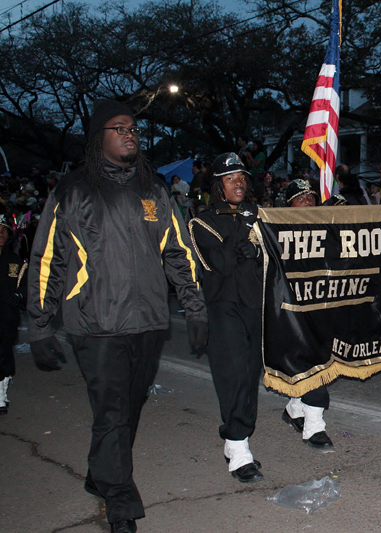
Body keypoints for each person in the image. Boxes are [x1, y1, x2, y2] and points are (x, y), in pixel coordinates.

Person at [27, 99, 208, 533]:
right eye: (119, 127)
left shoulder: (154, 189)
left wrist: (196, 308)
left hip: (147, 321)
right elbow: (46, 260)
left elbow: (179, 252)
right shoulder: (72, 190)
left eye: (134, 128)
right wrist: (39, 325)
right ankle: (122, 505)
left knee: (130, 407)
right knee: (111, 411)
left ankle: (100, 473)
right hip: (95, 324)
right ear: (98, 138)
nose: (130, 134)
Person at [188, 153, 266, 484]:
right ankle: (237, 445)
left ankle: (238, 437)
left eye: (242, 178)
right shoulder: (202, 222)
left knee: (251, 374)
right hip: (223, 307)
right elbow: (219, 263)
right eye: (231, 178)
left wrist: (258, 246)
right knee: (233, 374)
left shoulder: (257, 216)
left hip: (255, 304)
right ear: (218, 185)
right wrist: (244, 230)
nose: (239, 183)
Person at [279, 179, 335, 448]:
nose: (308, 203)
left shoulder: (325, 228)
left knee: (313, 361)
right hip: (291, 309)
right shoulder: (277, 231)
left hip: (322, 308)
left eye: (311, 198)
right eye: (300, 198)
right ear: (288, 205)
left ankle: (294, 409)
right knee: (313, 363)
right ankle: (314, 427)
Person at [0, 213, 26, 415]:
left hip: (7, 317)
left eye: (3, 231)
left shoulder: (16, 261)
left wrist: (18, 295)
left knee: (4, 353)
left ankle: (2, 395)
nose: (0, 234)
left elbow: (25, 285)